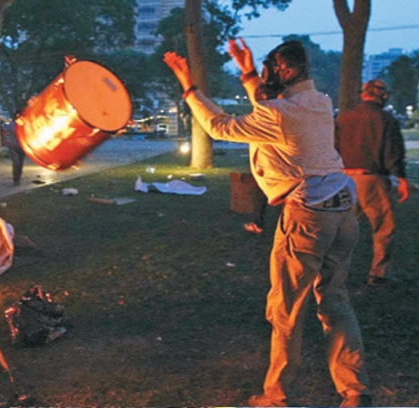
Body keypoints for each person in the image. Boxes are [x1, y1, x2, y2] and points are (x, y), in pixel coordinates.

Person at [163, 39, 372, 407]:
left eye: (268, 69)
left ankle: (275, 396)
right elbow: (270, 105)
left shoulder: (280, 115)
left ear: (285, 70)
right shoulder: (320, 102)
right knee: (335, 301)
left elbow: (219, 126)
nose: (265, 76)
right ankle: (355, 391)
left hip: (308, 217)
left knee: (286, 309)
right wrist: (246, 71)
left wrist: (189, 86)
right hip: (343, 212)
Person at [335, 79, 410, 286]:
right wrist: (401, 178)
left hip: (345, 178)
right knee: (383, 227)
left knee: (343, 227)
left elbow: (334, 147)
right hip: (372, 179)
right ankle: (378, 272)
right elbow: (393, 153)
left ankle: (331, 269)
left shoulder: (345, 118)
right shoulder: (386, 119)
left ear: (364, 94)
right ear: (383, 96)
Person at [2, 113, 25, 185]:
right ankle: (16, 178)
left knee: (20, 163)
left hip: (22, 147)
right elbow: (5, 132)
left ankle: (18, 177)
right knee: (16, 162)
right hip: (13, 146)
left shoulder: (24, 125)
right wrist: (6, 141)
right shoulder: (11, 125)